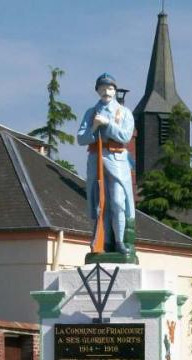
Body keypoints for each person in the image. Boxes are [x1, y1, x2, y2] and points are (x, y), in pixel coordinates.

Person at [77, 73, 135, 255]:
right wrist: (94, 127)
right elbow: (81, 138)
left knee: (118, 202)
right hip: (96, 161)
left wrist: (108, 123)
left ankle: (120, 242)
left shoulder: (124, 112)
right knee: (100, 204)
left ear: (115, 91)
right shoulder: (90, 113)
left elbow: (125, 136)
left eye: (110, 88)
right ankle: (105, 242)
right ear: (97, 91)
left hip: (117, 160)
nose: (106, 91)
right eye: (102, 88)